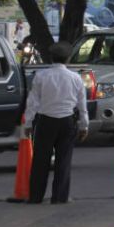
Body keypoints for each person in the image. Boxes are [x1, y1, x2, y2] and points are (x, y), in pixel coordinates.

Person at [24, 41, 89, 204]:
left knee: (40, 161)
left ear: (51, 58)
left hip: (45, 121)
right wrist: (84, 125)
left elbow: (32, 102)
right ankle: (59, 197)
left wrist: (28, 124)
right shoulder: (75, 78)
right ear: (67, 58)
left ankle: (35, 196)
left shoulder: (41, 76)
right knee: (63, 161)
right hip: (67, 122)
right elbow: (82, 105)